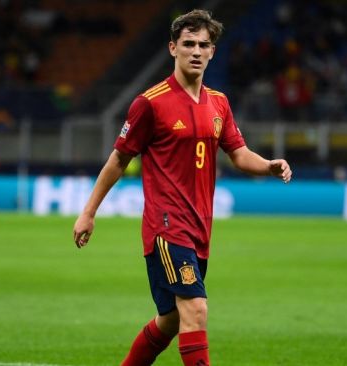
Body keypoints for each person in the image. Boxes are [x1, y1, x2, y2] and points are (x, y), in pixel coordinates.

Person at [72, 9, 292, 366]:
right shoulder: (150, 103)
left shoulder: (218, 102)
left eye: (203, 45)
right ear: (172, 48)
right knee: (196, 310)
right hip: (167, 227)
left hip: (200, 227)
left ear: (213, 52)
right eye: (188, 43)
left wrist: (268, 165)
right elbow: (117, 160)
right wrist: (88, 213)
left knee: (171, 320)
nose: (196, 51)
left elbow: (238, 153)